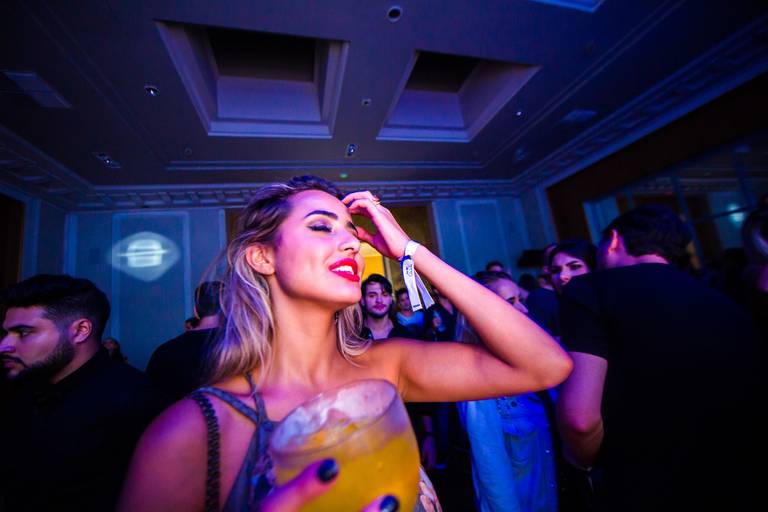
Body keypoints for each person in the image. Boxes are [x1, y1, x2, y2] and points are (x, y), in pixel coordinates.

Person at [117, 175, 571, 512]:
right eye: (321, 227)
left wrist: (410, 251)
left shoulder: (387, 367)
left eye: (352, 232)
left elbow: (545, 365)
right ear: (263, 256)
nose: (352, 244)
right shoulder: (193, 432)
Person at [556, 205, 763, 511]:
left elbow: (580, 419)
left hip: (643, 483)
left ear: (613, 241)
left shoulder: (591, 289)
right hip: (734, 477)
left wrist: (582, 463)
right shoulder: (722, 301)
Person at [0, 274, 161, 512]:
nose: (4, 345)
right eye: (5, 334)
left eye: (23, 332)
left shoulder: (137, 402)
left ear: (80, 330)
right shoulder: (20, 393)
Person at [457, 271, 556, 512]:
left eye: (521, 300)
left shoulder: (532, 360)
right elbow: (492, 470)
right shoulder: (478, 379)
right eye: (511, 302)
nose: (523, 309)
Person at [146, 281, 224, 403]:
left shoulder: (165, 352)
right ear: (230, 308)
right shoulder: (244, 350)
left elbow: (151, 401)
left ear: (196, 311)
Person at [359, 273, 411, 340]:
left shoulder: (406, 336)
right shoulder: (352, 335)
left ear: (391, 299)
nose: (379, 300)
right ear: (363, 300)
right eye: (372, 296)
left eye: (384, 295)